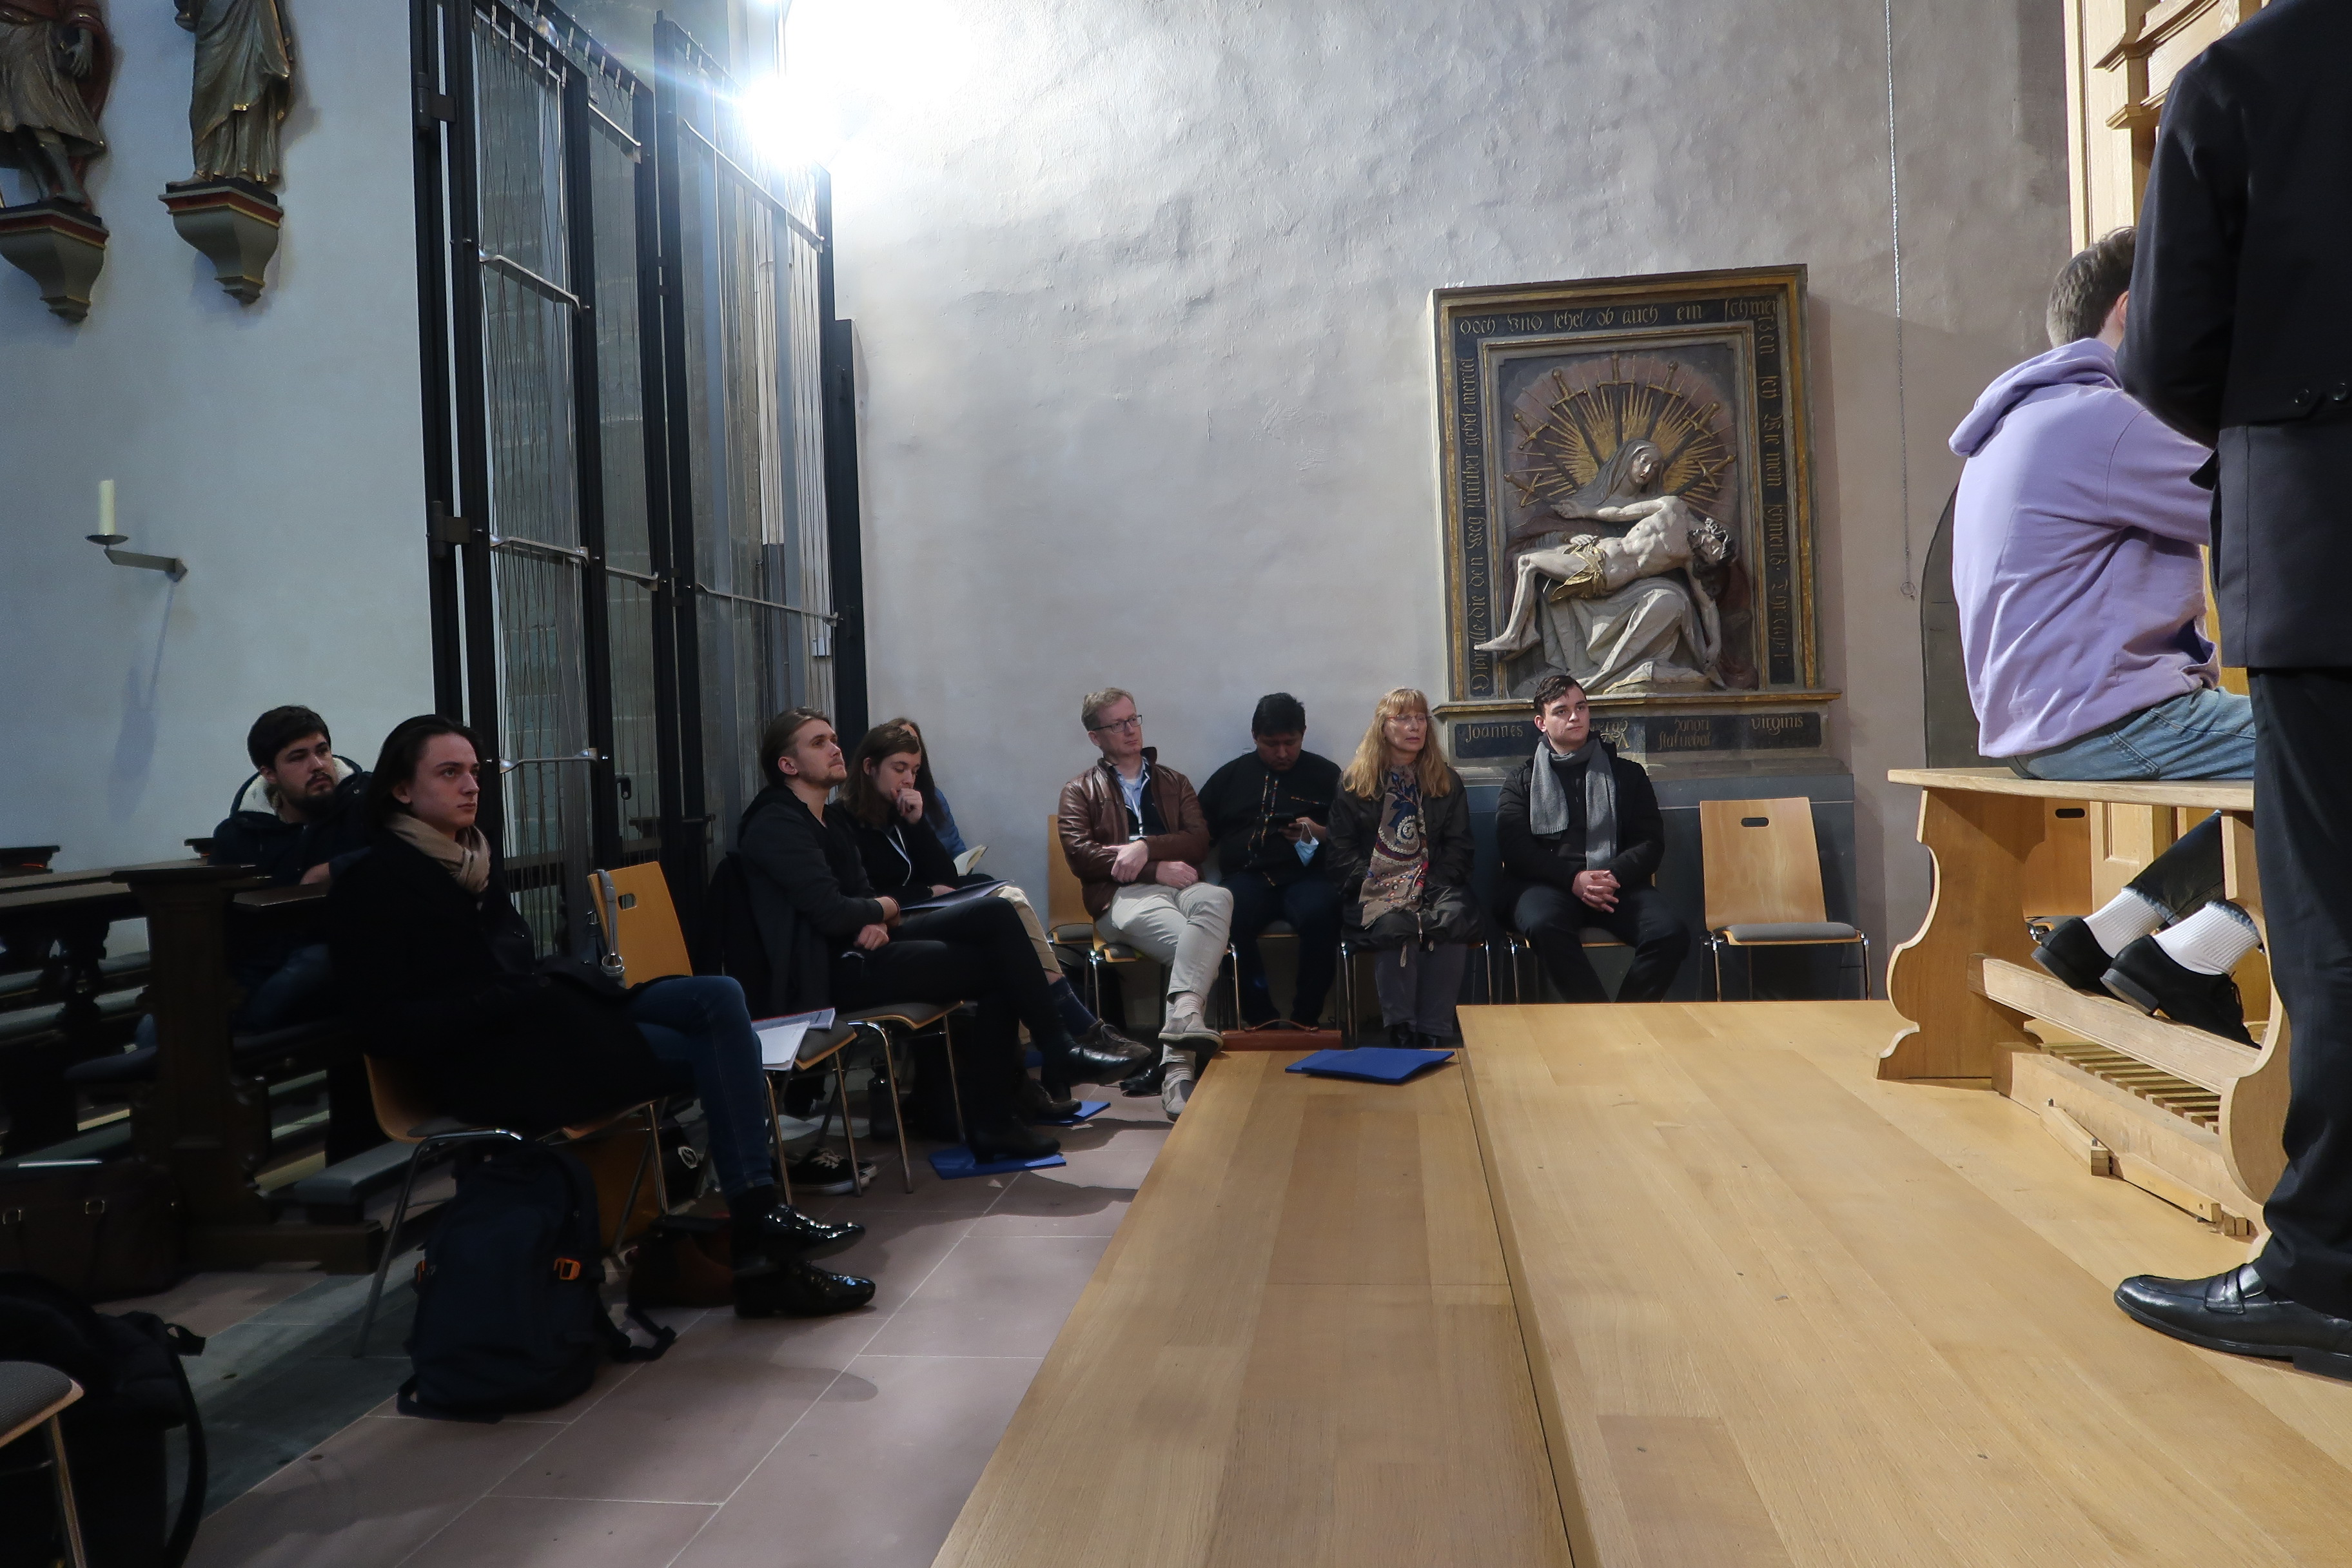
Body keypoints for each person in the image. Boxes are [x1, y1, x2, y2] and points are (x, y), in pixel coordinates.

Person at [2106, 0, 2352, 1375]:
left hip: (2327, 547)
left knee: (2334, 921)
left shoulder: (2243, 78)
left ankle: (2326, 1269)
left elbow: (2167, 357)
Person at [328, 715, 872, 1318]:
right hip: (488, 1060)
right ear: (402, 790)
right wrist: (518, 998)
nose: (472, 786)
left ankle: (759, 1222)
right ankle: (762, 1241)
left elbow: (514, 969)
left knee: (718, 996)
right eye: (450, 773)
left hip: (542, 1022)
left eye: (475, 772)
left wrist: (540, 989)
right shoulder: (374, 884)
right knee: (716, 1046)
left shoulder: (468, 860)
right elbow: (385, 1026)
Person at [1950, 228, 2261, 1043]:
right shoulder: (2105, 421)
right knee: (2326, 755)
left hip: (2041, 723)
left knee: (2304, 761)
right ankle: (2193, 955)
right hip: (2108, 718)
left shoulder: (2020, 420)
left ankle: (2112, 930)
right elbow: (2260, 506)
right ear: (2132, 312)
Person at [739, 709, 1148, 1158]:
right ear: (788, 765)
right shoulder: (777, 822)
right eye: (819, 743)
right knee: (999, 968)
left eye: (833, 738)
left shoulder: (825, 821)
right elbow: (831, 911)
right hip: (826, 973)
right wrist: (884, 910)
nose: (836, 749)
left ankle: (1041, 1069)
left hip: (864, 945)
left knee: (996, 913)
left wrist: (874, 914)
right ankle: (1016, 1098)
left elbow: (863, 894)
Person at [841, 720, 1144, 1086]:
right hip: (890, 925)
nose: (908, 780)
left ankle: (1031, 1074)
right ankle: (1067, 1041)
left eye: (915, 771)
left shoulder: (901, 815)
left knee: (1002, 916)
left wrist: (917, 824)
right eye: (899, 769)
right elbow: (865, 895)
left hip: (918, 914)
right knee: (1001, 915)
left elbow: (946, 879)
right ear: (869, 767)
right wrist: (925, 893)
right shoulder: (844, 821)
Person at [138, 708, 378, 1157]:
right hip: (255, 970)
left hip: (335, 968)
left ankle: (235, 1039)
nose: (318, 765)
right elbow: (219, 916)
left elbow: (401, 850)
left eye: (323, 751)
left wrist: (337, 868)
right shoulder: (240, 833)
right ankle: (172, 1157)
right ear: (269, 773)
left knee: (315, 962)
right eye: (298, 758)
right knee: (157, 1023)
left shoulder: (366, 807)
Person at [1057, 688, 1231, 1119]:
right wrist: (1154, 869)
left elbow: (1199, 840)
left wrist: (1144, 847)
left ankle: (1180, 1025)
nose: (1131, 730)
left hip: (1185, 886)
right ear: (1095, 737)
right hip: (1121, 897)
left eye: (1133, 719)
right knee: (1192, 946)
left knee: (1219, 896)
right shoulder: (1079, 791)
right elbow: (1081, 856)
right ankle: (1178, 1072)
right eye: (1117, 724)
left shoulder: (1174, 782)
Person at [1493, 674, 1687, 1003]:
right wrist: (1572, 879)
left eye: (1581, 707)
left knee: (1669, 933)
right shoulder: (1521, 781)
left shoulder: (1628, 775)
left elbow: (1649, 842)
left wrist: (1611, 876)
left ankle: (1627, 1017)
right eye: (1562, 711)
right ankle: (1596, 1018)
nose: (1575, 717)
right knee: (1543, 925)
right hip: (1548, 886)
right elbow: (1515, 849)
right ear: (1541, 722)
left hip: (1615, 884)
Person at [1327, 688, 1479, 1046]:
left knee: (1453, 917)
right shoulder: (1355, 782)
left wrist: (1426, 883)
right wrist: (1380, 883)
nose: (1416, 726)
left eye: (1421, 718)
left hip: (1435, 882)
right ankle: (1401, 1029)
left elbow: (1459, 847)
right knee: (1395, 922)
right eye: (1404, 718)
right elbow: (1340, 853)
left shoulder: (1447, 780)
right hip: (1374, 886)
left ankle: (1434, 1030)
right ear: (1383, 726)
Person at [1196, 693, 1342, 1028]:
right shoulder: (1230, 777)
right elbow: (1200, 834)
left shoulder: (1326, 775)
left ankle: (1306, 1017)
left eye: (1290, 743)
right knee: (1224, 913)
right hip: (1247, 877)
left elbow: (1353, 834)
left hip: (1308, 878)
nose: (1282, 753)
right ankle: (1259, 1017)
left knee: (1323, 912)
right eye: (1271, 744)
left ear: (1303, 735)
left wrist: (1320, 832)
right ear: (1255, 737)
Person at [891, 717, 969, 861]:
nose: (909, 780)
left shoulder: (934, 796)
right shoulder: (885, 801)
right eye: (900, 769)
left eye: (914, 744)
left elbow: (955, 847)